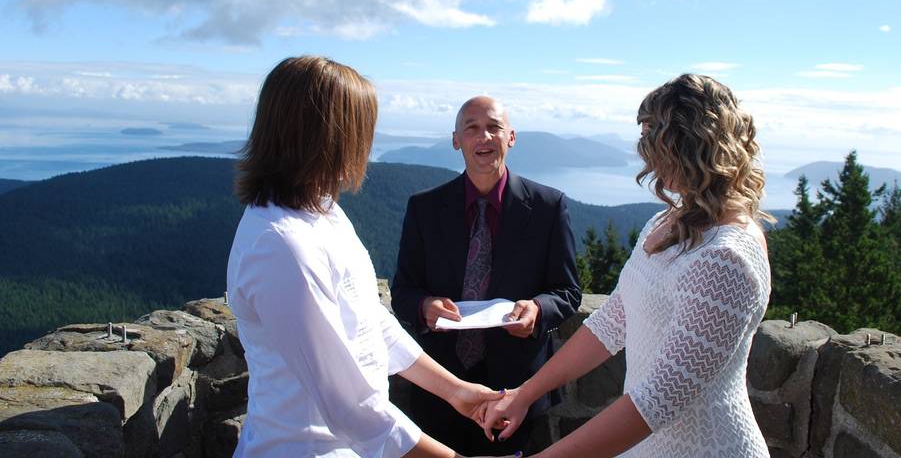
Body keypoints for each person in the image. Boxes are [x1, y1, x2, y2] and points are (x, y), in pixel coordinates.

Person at [226, 56, 507, 458]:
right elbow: (351, 407)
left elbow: (370, 322)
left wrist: (457, 392)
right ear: (325, 136)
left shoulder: (324, 212)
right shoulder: (281, 246)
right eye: (361, 128)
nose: (367, 145)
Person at [483, 74, 773, 458]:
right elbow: (613, 320)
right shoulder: (665, 224)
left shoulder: (726, 257)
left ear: (693, 145)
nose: (647, 159)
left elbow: (658, 401)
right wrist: (525, 393)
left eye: (655, 142)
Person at [391, 96, 582, 455]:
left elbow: (568, 291)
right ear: (456, 140)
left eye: (494, 127)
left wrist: (538, 310)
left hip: (516, 392)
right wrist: (425, 306)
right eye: (472, 129)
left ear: (511, 137)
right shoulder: (424, 208)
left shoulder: (548, 207)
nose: (484, 137)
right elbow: (403, 290)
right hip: (440, 386)